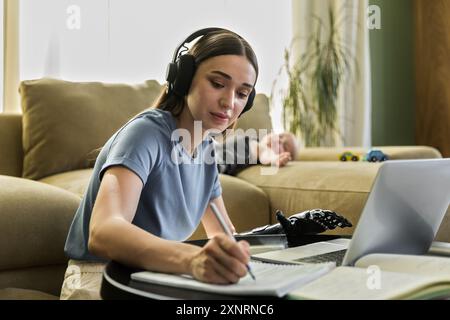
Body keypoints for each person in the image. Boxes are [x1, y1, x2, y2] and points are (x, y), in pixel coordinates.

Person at [60, 28, 258, 300]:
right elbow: (103, 231)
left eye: (242, 94)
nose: (229, 102)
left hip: (155, 276)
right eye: (217, 83)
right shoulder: (145, 134)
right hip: (101, 276)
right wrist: (192, 259)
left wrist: (237, 258)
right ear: (184, 78)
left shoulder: (206, 151)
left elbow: (223, 235)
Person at [215, 132, 299, 176]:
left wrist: (274, 159)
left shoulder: (260, 149)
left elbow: (264, 154)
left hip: (216, 163)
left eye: (284, 146)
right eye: (280, 136)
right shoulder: (253, 139)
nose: (278, 140)